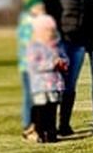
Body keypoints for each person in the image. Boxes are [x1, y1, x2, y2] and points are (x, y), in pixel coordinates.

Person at [45, 0, 93, 136]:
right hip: (60, 43)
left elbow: (90, 17)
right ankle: (49, 127)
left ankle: (64, 125)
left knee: (70, 86)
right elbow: (48, 18)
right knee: (54, 84)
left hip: (78, 45)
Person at [26, 14, 68, 143]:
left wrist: (63, 62)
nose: (49, 33)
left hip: (54, 84)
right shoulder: (34, 47)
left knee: (52, 109)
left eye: (51, 30)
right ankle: (40, 133)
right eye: (46, 30)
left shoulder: (57, 46)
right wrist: (51, 64)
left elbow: (66, 58)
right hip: (40, 86)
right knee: (41, 110)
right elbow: (33, 65)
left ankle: (51, 133)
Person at [17, 0, 47, 141]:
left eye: (42, 6)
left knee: (38, 97)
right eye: (37, 7)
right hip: (29, 67)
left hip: (40, 67)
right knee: (29, 96)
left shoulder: (41, 20)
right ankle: (27, 126)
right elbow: (28, 41)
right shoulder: (27, 21)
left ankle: (37, 125)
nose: (41, 9)